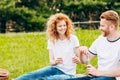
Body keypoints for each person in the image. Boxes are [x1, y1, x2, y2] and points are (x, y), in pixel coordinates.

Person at [15, 13, 80, 80]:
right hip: (55, 68)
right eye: (60, 26)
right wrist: (55, 62)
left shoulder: (73, 39)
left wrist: (78, 59)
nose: (63, 28)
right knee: (33, 75)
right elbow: (51, 61)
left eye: (64, 25)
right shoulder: (52, 40)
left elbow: (79, 59)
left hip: (68, 74)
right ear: (55, 28)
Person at [67, 10, 120, 80]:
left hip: (112, 78)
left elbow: (118, 71)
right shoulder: (100, 40)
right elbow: (85, 60)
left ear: (112, 27)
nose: (100, 28)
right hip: (97, 76)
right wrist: (82, 51)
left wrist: (98, 72)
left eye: (102, 26)